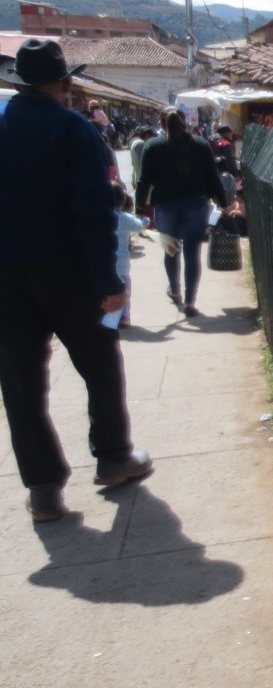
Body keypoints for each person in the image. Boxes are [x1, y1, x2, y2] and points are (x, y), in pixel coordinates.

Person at [0, 40, 153, 522]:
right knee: (100, 362)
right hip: (69, 272)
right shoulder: (73, 129)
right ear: (65, 83)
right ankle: (112, 457)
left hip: (6, 275)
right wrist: (109, 278)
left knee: (21, 382)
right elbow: (94, 211)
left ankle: (43, 488)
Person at [137, 108, 230, 318]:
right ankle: (190, 301)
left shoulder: (152, 146)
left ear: (162, 124)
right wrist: (222, 201)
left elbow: (144, 180)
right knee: (192, 252)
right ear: (185, 121)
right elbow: (211, 176)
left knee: (171, 249)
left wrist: (139, 208)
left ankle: (175, 289)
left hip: (165, 205)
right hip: (196, 204)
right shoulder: (200, 144)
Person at [113, 189, 150, 327]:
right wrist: (146, 220)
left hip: (106, 265)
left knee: (107, 292)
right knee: (125, 292)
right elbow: (139, 226)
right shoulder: (124, 217)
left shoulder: (99, 216)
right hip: (122, 264)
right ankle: (125, 316)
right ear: (122, 201)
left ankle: (110, 316)